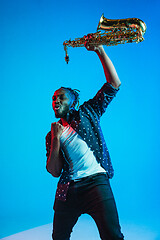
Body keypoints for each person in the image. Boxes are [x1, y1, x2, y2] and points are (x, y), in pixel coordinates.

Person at [45, 43, 124, 240]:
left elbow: (114, 84)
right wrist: (56, 139)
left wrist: (100, 50)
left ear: (73, 102)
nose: (56, 101)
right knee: (59, 237)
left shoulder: (88, 112)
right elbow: (54, 171)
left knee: (112, 236)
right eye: (54, 99)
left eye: (61, 98)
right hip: (68, 188)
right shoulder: (51, 134)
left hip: (96, 182)